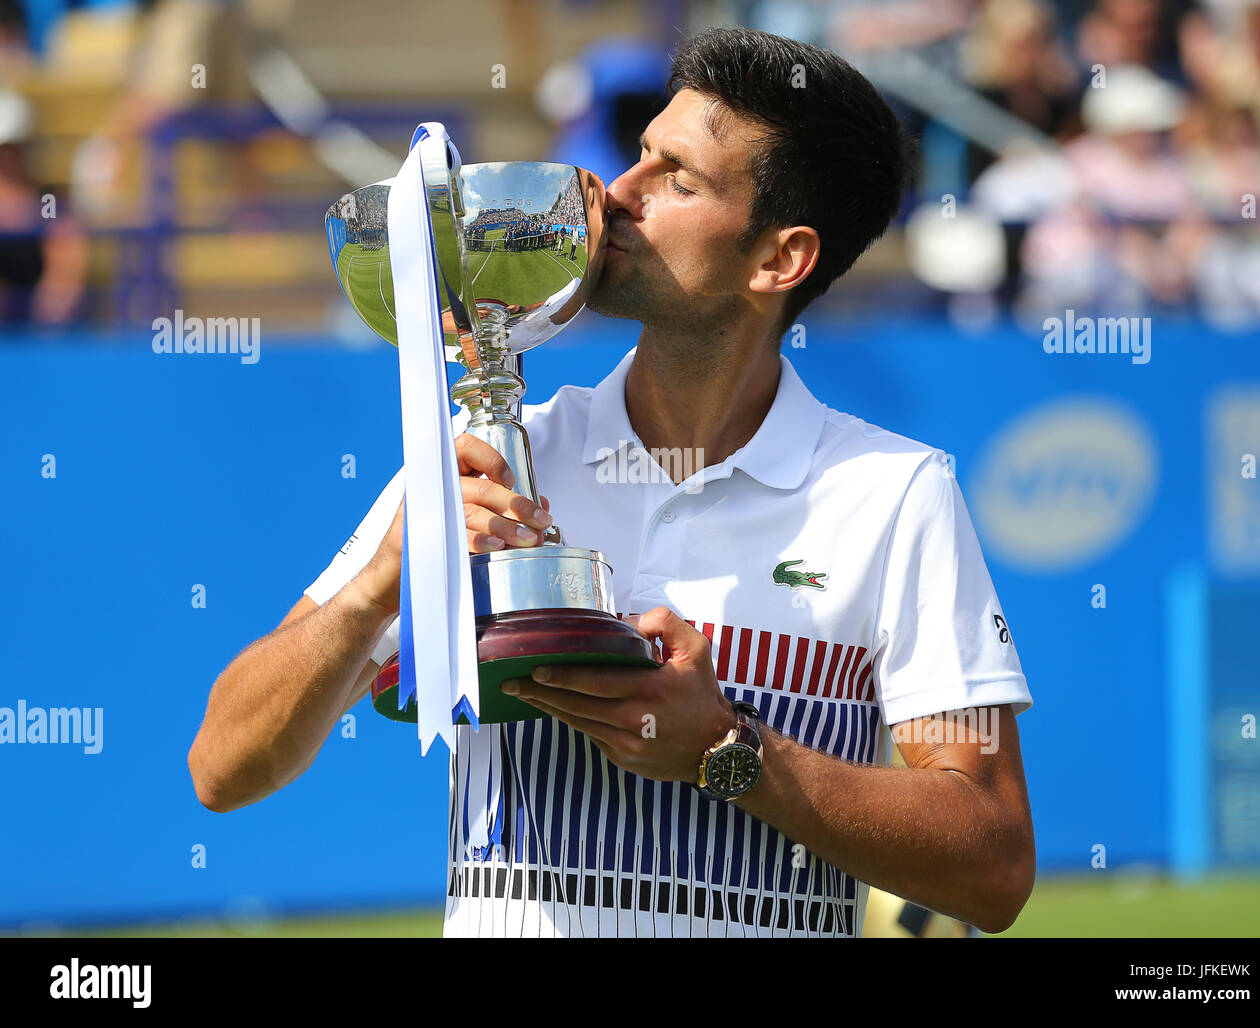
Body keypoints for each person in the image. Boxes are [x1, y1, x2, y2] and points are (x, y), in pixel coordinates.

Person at [188, 27, 1035, 938]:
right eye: (640, 155)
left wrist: (728, 749)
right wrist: (383, 584)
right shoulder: (487, 460)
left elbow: (992, 862)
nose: (617, 194)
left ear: (778, 260)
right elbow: (224, 767)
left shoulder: (897, 493)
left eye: (679, 178)